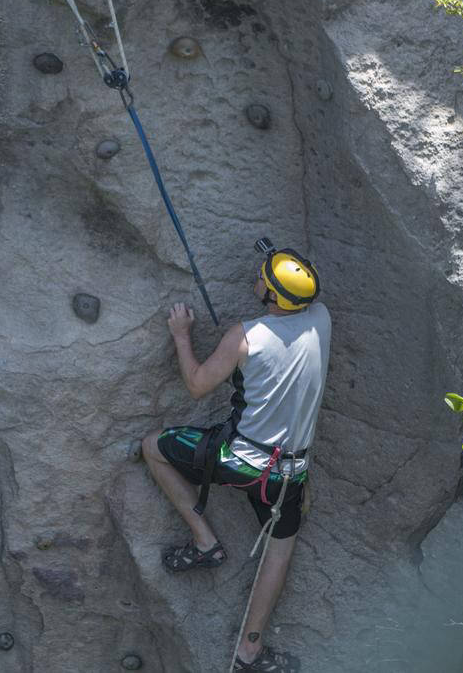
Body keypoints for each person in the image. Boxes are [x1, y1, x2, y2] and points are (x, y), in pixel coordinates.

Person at [140, 240, 331, 672]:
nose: (258, 278)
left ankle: (205, 541)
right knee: (280, 548)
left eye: (263, 278)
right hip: (290, 475)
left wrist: (182, 336)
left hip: (240, 460)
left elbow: (196, 384)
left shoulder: (246, 337)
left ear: (270, 294)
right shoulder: (322, 318)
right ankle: (249, 653)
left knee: (154, 447)